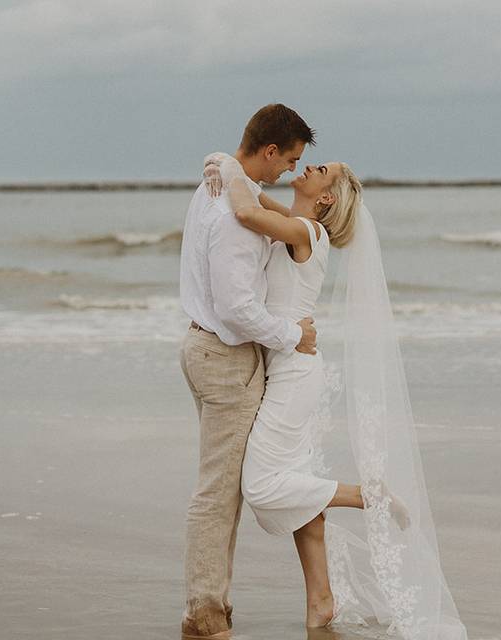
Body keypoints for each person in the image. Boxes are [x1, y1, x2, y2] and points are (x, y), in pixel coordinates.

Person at [202, 151, 468, 639]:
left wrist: (229, 168)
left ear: (326, 197)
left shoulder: (309, 233)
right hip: (290, 364)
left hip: (294, 374)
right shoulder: (297, 221)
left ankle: (372, 495)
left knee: (261, 486)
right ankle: (321, 600)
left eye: (320, 170)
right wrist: (230, 167)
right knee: (298, 484)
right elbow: (256, 199)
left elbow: (244, 211)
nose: (310, 167)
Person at [177, 103, 317, 640]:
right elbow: (238, 308)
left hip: (201, 348)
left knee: (220, 488)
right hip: (225, 357)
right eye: (290, 160)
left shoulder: (216, 185)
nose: (289, 171)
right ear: (269, 150)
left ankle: (210, 605)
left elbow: (256, 203)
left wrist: (224, 162)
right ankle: (205, 612)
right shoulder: (231, 209)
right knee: (218, 492)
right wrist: (292, 337)